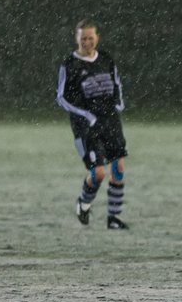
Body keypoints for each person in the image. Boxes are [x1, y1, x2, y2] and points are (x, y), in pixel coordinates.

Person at [56, 19, 130, 229]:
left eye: (90, 37)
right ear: (76, 38)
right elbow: (61, 98)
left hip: (110, 120)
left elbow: (117, 84)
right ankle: (84, 203)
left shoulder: (106, 59)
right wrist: (86, 115)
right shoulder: (69, 65)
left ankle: (113, 218)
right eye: (83, 38)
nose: (87, 42)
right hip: (85, 126)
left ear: (97, 38)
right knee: (98, 173)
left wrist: (118, 104)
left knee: (118, 167)